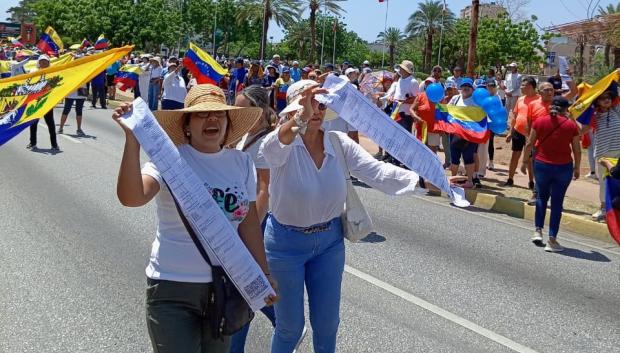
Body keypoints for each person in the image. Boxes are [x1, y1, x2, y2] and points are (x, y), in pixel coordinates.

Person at [112, 84, 278, 353]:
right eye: (201, 114)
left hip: (224, 287)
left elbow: (248, 224)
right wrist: (132, 142)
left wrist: (263, 274)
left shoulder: (241, 162)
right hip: (172, 287)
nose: (212, 119)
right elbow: (132, 197)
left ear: (227, 123)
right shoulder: (168, 159)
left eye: (218, 114)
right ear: (186, 124)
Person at [259, 80, 421, 353]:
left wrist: (426, 180)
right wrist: (300, 117)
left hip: (329, 244)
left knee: (327, 325)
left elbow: (377, 172)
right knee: (289, 327)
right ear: (292, 111)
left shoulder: (338, 142)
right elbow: (270, 152)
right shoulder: (280, 143)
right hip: (285, 246)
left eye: (321, 105)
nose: (316, 111)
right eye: (309, 105)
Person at [230, 85, 278, 353]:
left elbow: (263, 189)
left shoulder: (264, 143)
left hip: (252, 223)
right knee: (247, 286)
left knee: (243, 289)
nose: (236, 113)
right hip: (239, 218)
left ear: (259, 112)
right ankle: (285, 322)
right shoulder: (243, 136)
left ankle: (285, 323)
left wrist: (250, 231)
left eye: (242, 109)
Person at [521, 97, 581, 252]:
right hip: (563, 167)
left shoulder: (540, 121)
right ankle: (552, 239)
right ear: (565, 109)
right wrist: (577, 167)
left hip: (542, 165)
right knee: (557, 203)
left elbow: (530, 143)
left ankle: (538, 231)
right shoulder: (571, 125)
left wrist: (524, 161)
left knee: (541, 197)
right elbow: (577, 149)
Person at [582, 89, 620, 222]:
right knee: (604, 184)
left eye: (608, 97)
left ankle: (615, 210)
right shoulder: (594, 116)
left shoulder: (616, 111)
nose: (607, 100)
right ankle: (603, 209)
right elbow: (582, 130)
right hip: (603, 156)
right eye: (602, 98)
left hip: (618, 154)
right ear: (597, 101)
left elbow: (616, 93)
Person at [502, 77, 539, 188]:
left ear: (531, 86)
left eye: (524, 85)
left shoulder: (539, 99)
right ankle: (510, 179)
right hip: (518, 131)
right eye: (521, 85)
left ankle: (531, 182)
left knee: (530, 158)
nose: (521, 87)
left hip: (532, 134)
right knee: (515, 155)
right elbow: (514, 115)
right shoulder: (520, 99)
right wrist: (510, 132)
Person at [448, 78, 479, 188]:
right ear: (460, 88)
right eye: (464, 86)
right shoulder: (455, 98)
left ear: (472, 88)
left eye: (468, 86)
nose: (466, 88)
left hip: (470, 135)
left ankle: (470, 181)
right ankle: (453, 179)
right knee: (454, 158)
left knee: (468, 158)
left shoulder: (476, 100)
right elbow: (447, 111)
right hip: (455, 134)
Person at [27, 55, 59, 151]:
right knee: (33, 124)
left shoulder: (52, 73)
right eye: (42, 61)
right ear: (39, 63)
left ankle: (54, 145)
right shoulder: (33, 72)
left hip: (47, 102)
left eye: (46, 62)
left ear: (49, 63)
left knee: (51, 124)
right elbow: (28, 85)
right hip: (34, 102)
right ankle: (32, 143)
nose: (44, 63)